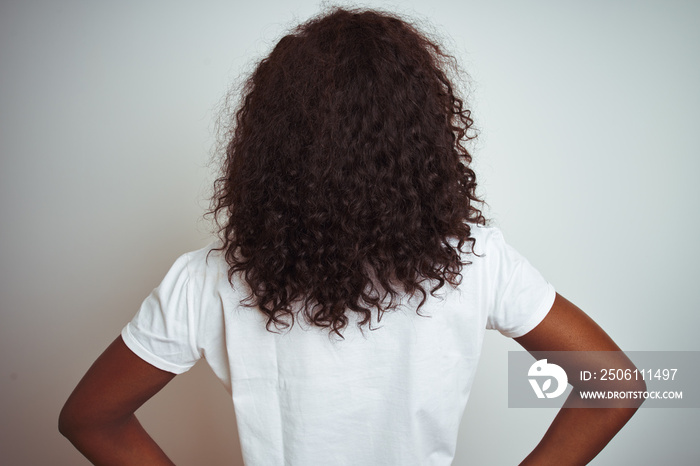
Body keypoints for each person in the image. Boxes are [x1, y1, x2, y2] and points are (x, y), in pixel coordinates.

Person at [59, 7, 641, 465]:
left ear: (270, 148)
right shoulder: (478, 261)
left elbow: (88, 419)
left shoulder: (208, 280)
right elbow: (620, 387)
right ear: (423, 143)